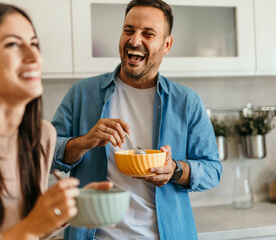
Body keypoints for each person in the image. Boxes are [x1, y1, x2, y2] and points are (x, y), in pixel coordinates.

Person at [0, 3, 112, 240]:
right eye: (12, 44)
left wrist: (64, 211)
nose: (33, 57)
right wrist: (29, 227)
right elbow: (26, 230)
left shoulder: (41, 135)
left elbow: (31, 232)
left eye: (34, 44)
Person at [52, 0, 222, 239]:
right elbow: (45, 154)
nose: (134, 40)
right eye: (128, 30)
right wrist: (83, 142)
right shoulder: (82, 94)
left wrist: (174, 170)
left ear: (167, 44)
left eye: (148, 34)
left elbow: (213, 169)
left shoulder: (187, 102)